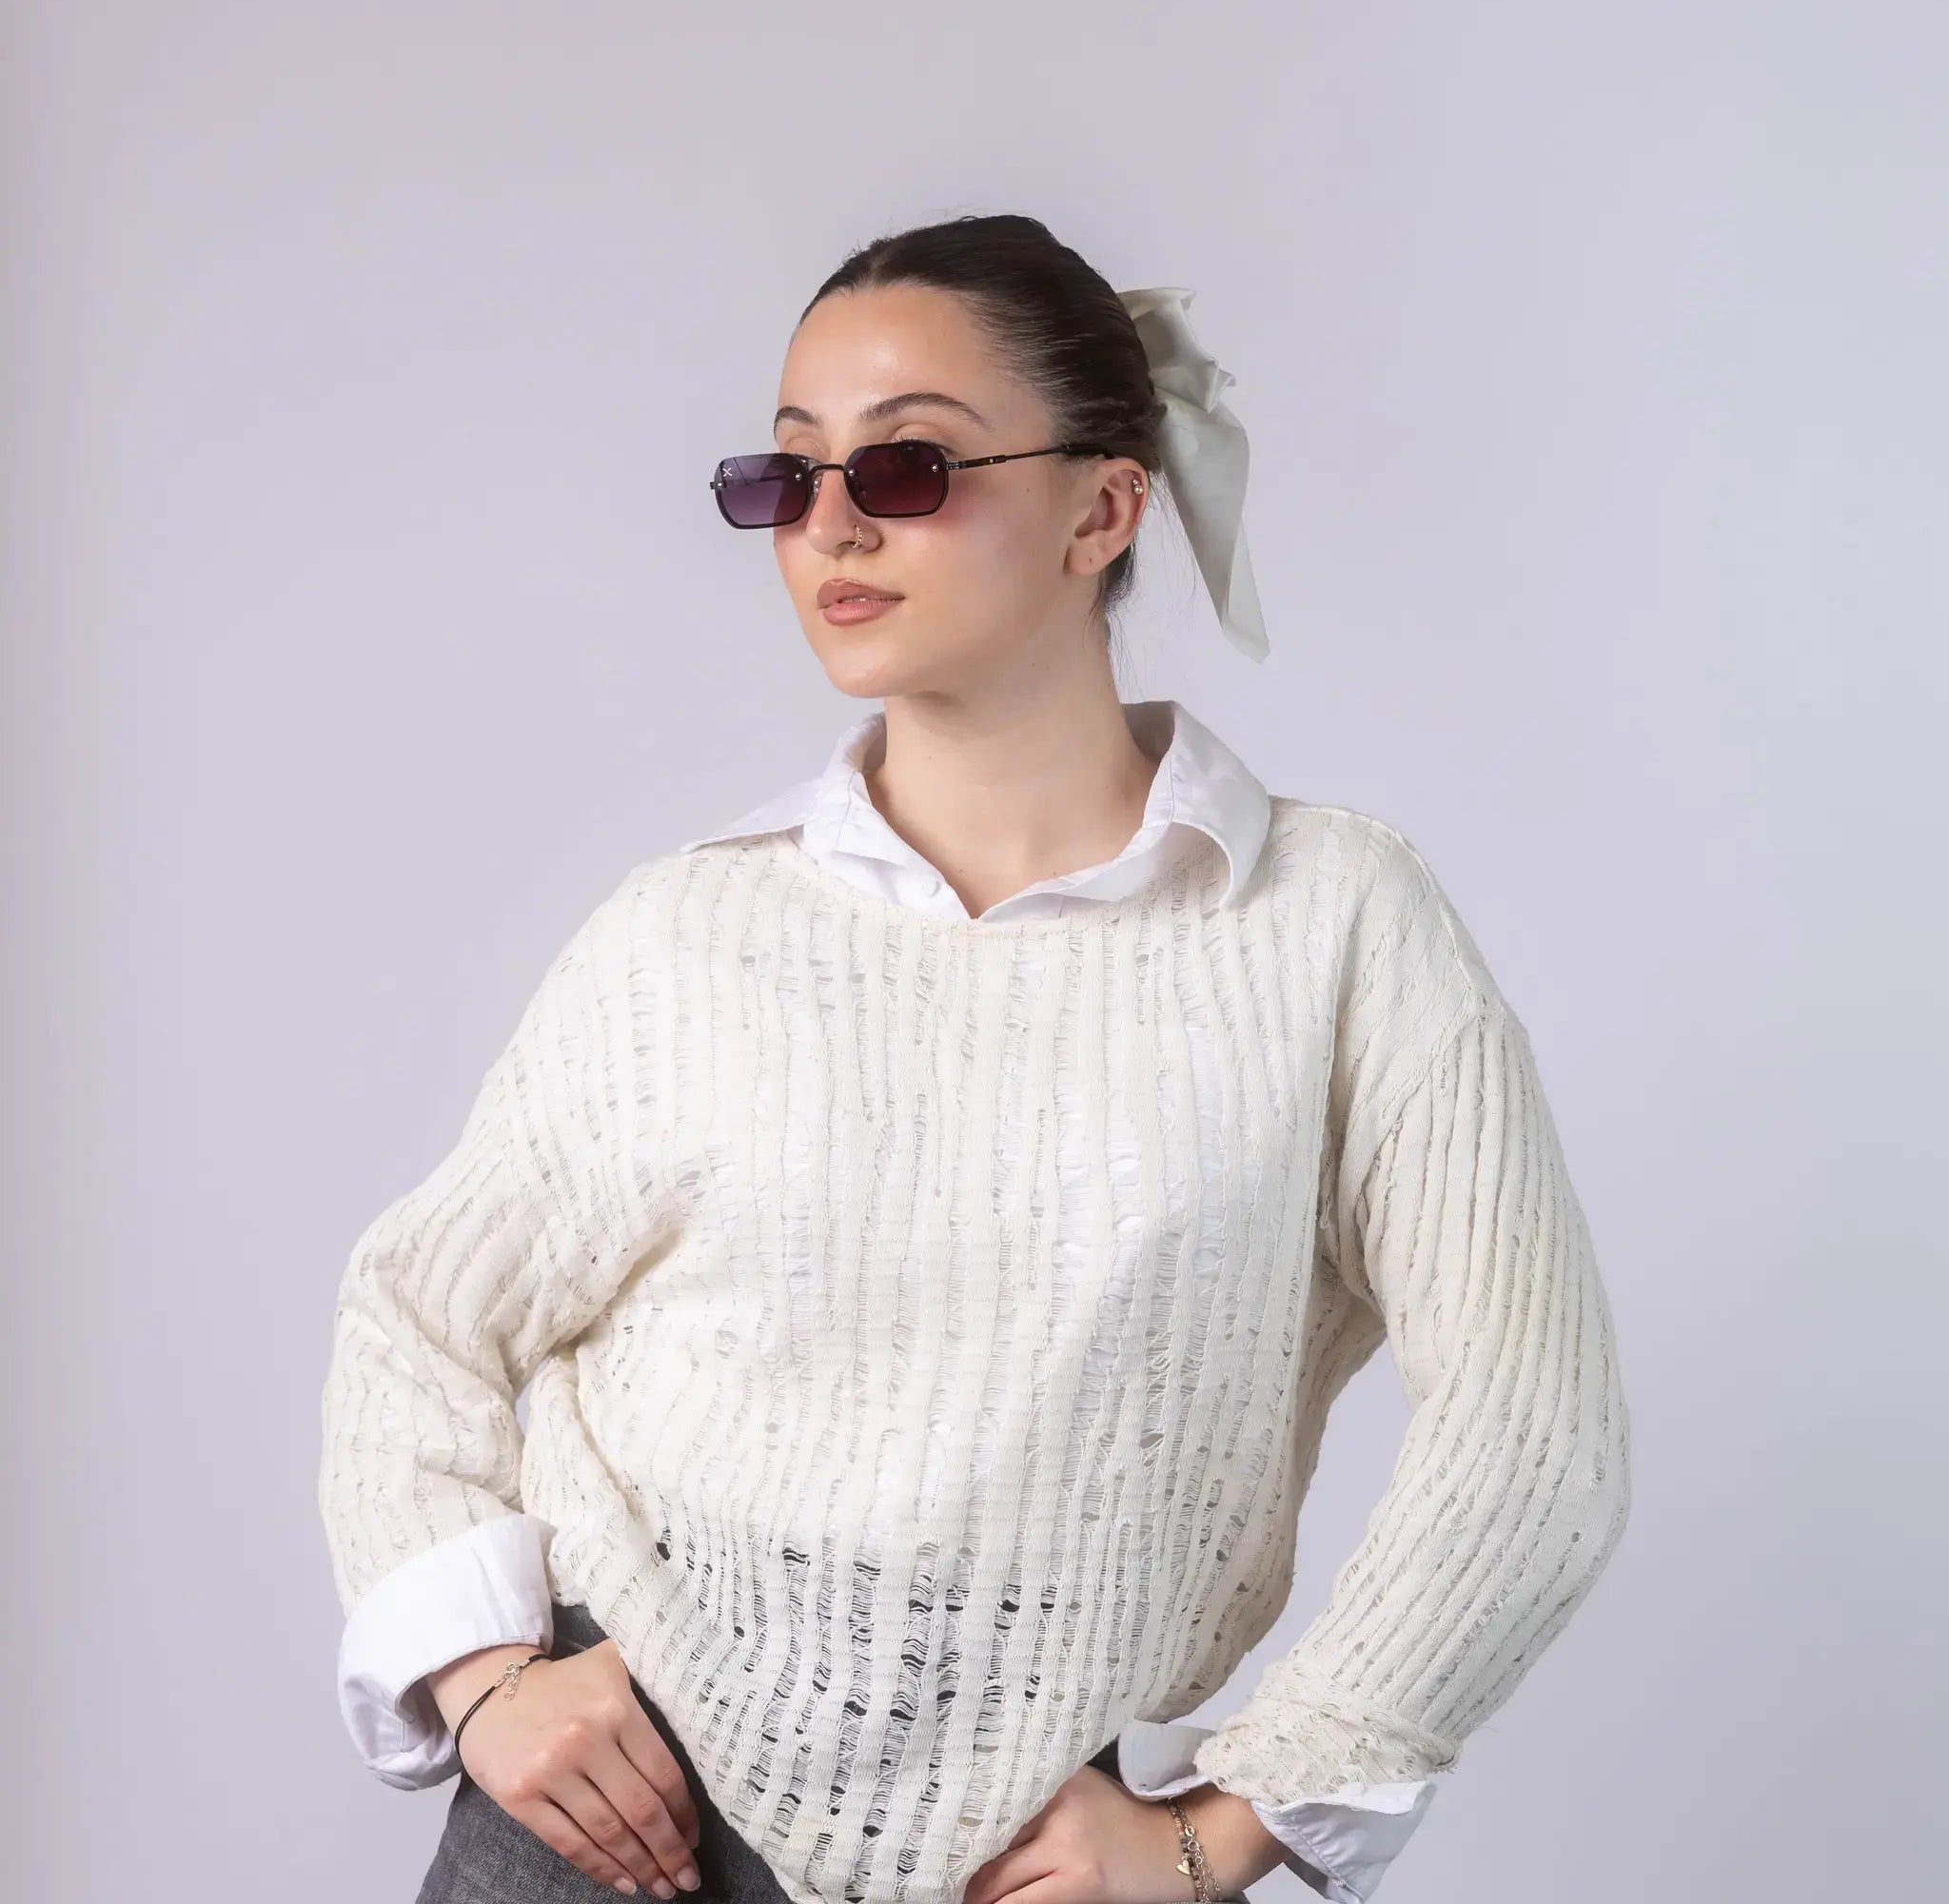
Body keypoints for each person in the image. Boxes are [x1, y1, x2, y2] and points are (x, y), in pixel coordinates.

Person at [317, 212, 1632, 1904]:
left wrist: (1221, 1828)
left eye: (914, 465)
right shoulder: (684, 936)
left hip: (1036, 1856)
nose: (834, 526)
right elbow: (416, 1315)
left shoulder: (1332, 927)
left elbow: (1537, 1427)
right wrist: (489, 1680)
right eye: (787, 478)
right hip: (608, 1829)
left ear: (1106, 505)